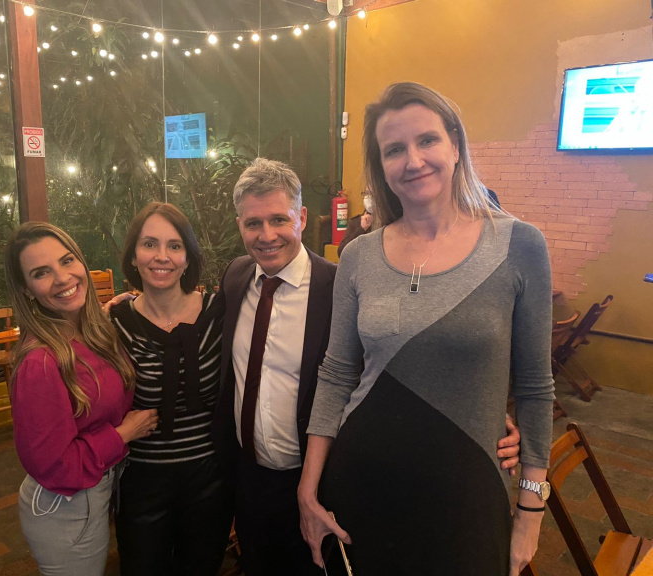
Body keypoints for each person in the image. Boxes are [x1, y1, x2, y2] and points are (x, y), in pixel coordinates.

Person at [212, 158, 524, 576]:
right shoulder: (235, 278)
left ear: (300, 218)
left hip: (322, 483)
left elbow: (402, 357)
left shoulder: (341, 284)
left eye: (278, 219)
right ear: (240, 226)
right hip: (249, 480)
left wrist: (480, 415)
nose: (266, 235)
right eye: (253, 223)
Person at [298, 82, 555, 576]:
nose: (413, 160)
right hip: (360, 485)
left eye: (427, 140)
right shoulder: (358, 256)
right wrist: (308, 491)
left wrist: (531, 510)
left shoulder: (519, 245)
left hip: (467, 492)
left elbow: (535, 387)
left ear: (455, 145)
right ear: (381, 166)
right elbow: (336, 375)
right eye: (394, 149)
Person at [4, 222, 159, 576]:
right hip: (65, 506)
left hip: (95, 492)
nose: (62, 278)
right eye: (41, 273)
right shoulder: (40, 362)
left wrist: (114, 310)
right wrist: (124, 433)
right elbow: (55, 467)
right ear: (26, 289)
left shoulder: (87, 331)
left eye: (67, 261)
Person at [109, 203, 233, 576]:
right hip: (142, 479)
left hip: (209, 477)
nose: (161, 256)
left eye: (174, 245)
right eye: (149, 244)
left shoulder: (220, 312)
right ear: (133, 256)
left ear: (187, 256)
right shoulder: (115, 323)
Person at [337, 191, 373, 258]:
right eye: (366, 193)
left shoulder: (389, 222)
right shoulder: (357, 222)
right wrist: (361, 229)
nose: (368, 197)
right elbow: (341, 252)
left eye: (372, 193)